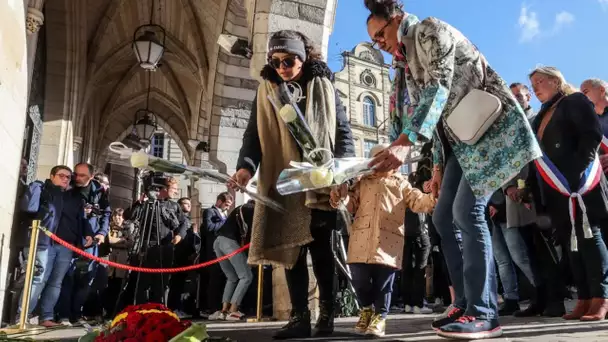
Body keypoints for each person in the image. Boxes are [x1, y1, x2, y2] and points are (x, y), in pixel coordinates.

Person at [363, 0, 541, 338]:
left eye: (380, 35)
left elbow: (439, 89)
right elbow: (440, 118)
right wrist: (439, 167)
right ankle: (464, 302)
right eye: (373, 41)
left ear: (397, 20)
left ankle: (484, 312)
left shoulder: (430, 29)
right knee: (443, 216)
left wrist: (404, 142)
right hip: (460, 139)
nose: (379, 44)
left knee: (467, 212)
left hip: (489, 129)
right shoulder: (403, 65)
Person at [229, 29, 355, 339]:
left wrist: (344, 175)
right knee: (290, 253)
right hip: (283, 182)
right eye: (276, 61)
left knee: (323, 253)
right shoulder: (266, 91)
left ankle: (326, 316)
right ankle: (299, 317)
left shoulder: (323, 86)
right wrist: (245, 168)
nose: (283, 67)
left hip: (320, 181)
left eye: (289, 60)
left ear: (304, 56)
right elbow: (253, 136)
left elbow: (343, 133)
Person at [527, 66, 608, 321]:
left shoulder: (573, 101)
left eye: (540, 81)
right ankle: (584, 299)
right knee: (570, 243)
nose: (536, 87)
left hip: (581, 184)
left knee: (589, 236)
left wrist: (577, 173)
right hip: (556, 190)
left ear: (555, 80)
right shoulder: (541, 116)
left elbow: (591, 135)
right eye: (533, 84)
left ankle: (601, 298)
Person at [330, 144, 435, 337]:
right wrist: (340, 196)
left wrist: (433, 196)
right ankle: (367, 309)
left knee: (384, 283)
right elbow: (350, 205)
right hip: (361, 240)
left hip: (388, 242)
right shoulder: (362, 182)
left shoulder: (401, 183)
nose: (382, 163)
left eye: (385, 158)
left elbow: (417, 201)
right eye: (377, 159)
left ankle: (380, 317)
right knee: (359, 279)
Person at [17, 165, 94, 327]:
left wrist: (88, 234)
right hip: (45, 243)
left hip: (66, 246)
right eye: (61, 176)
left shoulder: (75, 197)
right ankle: (22, 316)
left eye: (68, 177)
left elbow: (81, 219)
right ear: (52, 176)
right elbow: (29, 210)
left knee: (56, 282)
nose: (65, 179)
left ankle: (46, 317)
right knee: (38, 279)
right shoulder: (45, 190)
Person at [57, 163, 110, 325]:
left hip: (91, 241)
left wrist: (101, 233)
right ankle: (64, 314)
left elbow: (106, 213)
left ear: (91, 176)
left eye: (82, 176)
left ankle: (76, 313)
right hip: (69, 238)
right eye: (76, 174)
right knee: (67, 277)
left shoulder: (99, 192)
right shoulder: (68, 189)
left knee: (85, 279)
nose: (77, 178)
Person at [127, 176, 188, 304]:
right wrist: (139, 202)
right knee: (143, 281)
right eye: (174, 189)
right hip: (147, 245)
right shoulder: (147, 203)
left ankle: (159, 308)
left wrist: (179, 235)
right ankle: (140, 309)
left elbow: (183, 223)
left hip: (166, 246)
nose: (176, 192)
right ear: (164, 188)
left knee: (162, 282)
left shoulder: (173, 206)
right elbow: (129, 216)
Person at [208, 200, 255, 321]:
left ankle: (224, 310)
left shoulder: (238, 210)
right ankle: (233, 310)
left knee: (232, 277)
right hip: (229, 242)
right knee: (246, 276)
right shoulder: (250, 209)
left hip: (218, 241)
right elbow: (251, 233)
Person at [201, 193, 232, 318]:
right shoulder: (210, 212)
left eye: (229, 205)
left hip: (224, 251)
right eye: (226, 204)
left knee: (223, 279)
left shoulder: (225, 214)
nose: (227, 208)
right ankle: (212, 307)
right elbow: (209, 227)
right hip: (213, 251)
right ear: (219, 201)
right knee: (214, 279)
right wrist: (225, 223)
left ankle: (222, 307)